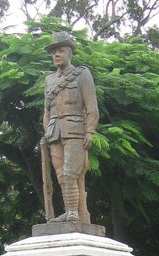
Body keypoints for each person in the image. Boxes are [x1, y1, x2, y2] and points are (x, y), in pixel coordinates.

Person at [42, 32, 99, 223]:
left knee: (70, 173)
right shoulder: (49, 80)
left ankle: (74, 213)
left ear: (69, 53)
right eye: (53, 52)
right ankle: (69, 211)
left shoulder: (82, 74)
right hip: (54, 131)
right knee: (60, 175)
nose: (55, 55)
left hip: (75, 130)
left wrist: (90, 131)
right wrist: (46, 132)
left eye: (59, 51)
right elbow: (46, 110)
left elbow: (92, 107)